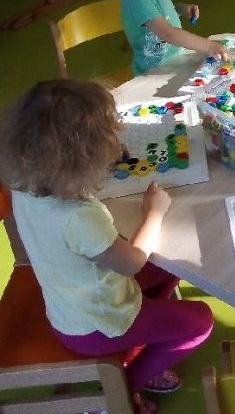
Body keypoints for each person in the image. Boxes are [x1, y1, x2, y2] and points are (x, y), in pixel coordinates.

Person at [0, 79, 214, 414]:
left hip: (72, 299)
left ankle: (143, 341)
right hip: (97, 325)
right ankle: (124, 389)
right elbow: (133, 262)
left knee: (169, 268)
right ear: (84, 159)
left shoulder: (23, 182)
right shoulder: (79, 217)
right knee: (199, 321)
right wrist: (153, 212)